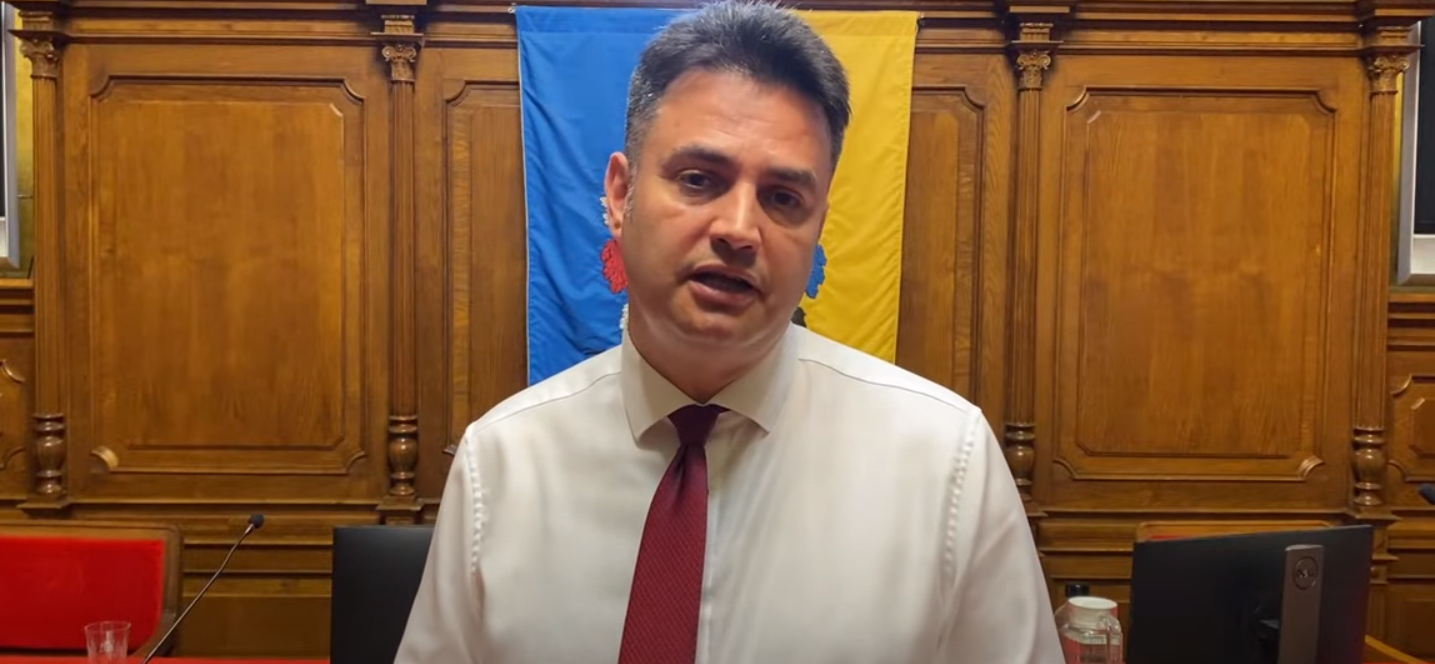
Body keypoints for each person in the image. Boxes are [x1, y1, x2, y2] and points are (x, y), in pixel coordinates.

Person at [394, 2, 1063, 663]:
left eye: (783, 198)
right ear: (620, 196)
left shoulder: (946, 466)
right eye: (698, 180)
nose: (740, 230)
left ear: (818, 226)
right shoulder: (502, 465)